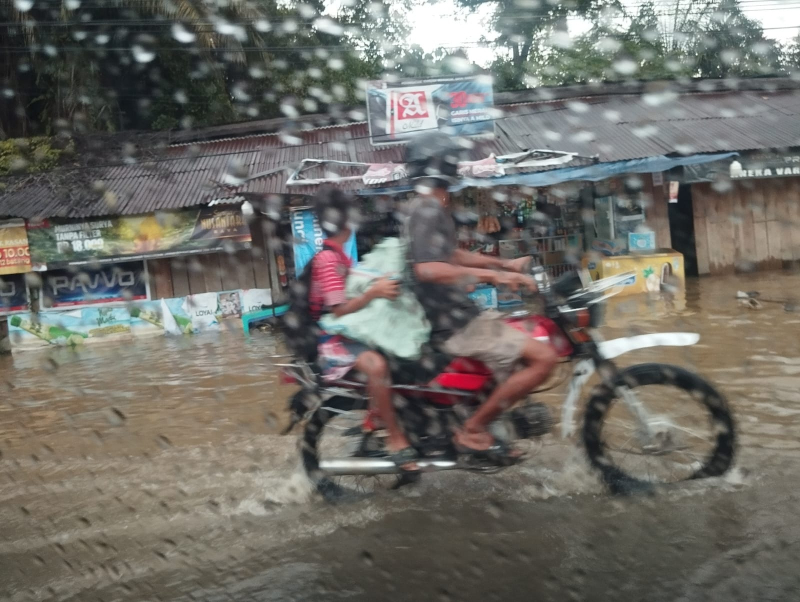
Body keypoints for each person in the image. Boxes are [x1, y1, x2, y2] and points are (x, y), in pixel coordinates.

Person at [405, 132, 559, 462]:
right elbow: (428, 269)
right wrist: (495, 276)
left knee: (522, 343)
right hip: (455, 322)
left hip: (457, 313)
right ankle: (473, 429)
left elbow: (452, 256)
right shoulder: (428, 208)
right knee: (544, 359)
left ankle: (483, 420)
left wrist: (504, 263)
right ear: (444, 166)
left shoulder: (429, 206)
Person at [309, 187, 419, 472]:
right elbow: (338, 309)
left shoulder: (342, 258)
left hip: (349, 331)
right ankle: (395, 439)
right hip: (331, 338)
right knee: (377, 365)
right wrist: (376, 292)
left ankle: (384, 417)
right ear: (346, 224)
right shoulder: (328, 260)